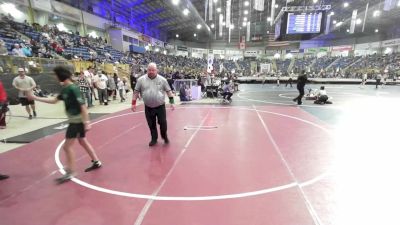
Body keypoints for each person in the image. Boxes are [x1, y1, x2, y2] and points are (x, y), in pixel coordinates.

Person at [28, 66, 102, 184]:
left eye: (55, 75)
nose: (54, 77)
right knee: (82, 141)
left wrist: (87, 122)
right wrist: (35, 97)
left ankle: (70, 172)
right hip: (75, 121)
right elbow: (53, 101)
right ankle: (96, 161)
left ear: (60, 75)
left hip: (76, 121)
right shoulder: (65, 89)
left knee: (67, 147)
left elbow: (83, 106)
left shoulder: (73, 88)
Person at [131, 63, 175, 147]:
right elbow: (136, 92)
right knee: (151, 124)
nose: (151, 72)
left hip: (160, 106)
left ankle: (164, 136)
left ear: (156, 70)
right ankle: (154, 138)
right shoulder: (141, 80)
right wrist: (133, 103)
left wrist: (172, 102)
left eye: (153, 70)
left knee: (163, 123)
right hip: (148, 107)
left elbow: (169, 91)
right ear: (147, 70)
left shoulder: (162, 80)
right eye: (149, 70)